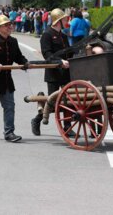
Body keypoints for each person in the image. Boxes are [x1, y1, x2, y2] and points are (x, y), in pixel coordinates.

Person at [31, 8, 75, 136]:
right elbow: (47, 55)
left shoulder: (63, 36)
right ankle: (37, 120)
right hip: (54, 74)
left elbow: (69, 53)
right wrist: (60, 62)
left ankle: (67, 126)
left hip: (66, 73)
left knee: (68, 100)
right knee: (53, 102)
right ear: (58, 21)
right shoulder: (47, 35)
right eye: (65, 19)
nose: (67, 21)